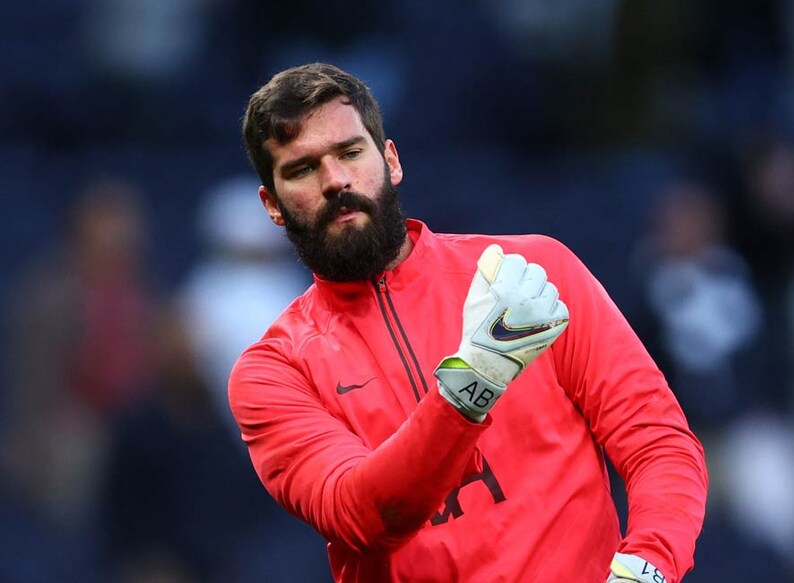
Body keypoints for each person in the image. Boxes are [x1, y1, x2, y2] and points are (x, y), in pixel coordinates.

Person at [229, 62, 708, 582]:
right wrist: (475, 377)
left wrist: (650, 564)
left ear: (390, 160)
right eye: (302, 169)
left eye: (350, 152)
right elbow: (362, 516)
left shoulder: (534, 274)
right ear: (272, 205)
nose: (335, 181)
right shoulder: (273, 375)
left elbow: (658, 440)